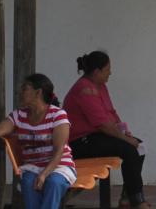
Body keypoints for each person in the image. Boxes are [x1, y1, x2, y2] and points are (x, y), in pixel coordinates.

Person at [63, 51, 149, 209]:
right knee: (130, 149)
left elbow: (111, 113)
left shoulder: (100, 86)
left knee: (139, 146)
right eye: (107, 69)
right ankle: (137, 201)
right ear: (97, 71)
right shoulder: (85, 89)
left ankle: (127, 198)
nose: (110, 72)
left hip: (96, 137)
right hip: (80, 142)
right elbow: (102, 124)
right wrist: (126, 139)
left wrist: (124, 131)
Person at [0, 74, 75, 209]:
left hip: (58, 166)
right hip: (33, 167)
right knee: (28, 182)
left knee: (53, 182)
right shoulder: (19, 115)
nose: (20, 92)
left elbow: (59, 151)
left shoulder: (58, 115)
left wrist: (44, 174)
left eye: (25, 88)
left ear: (38, 92)